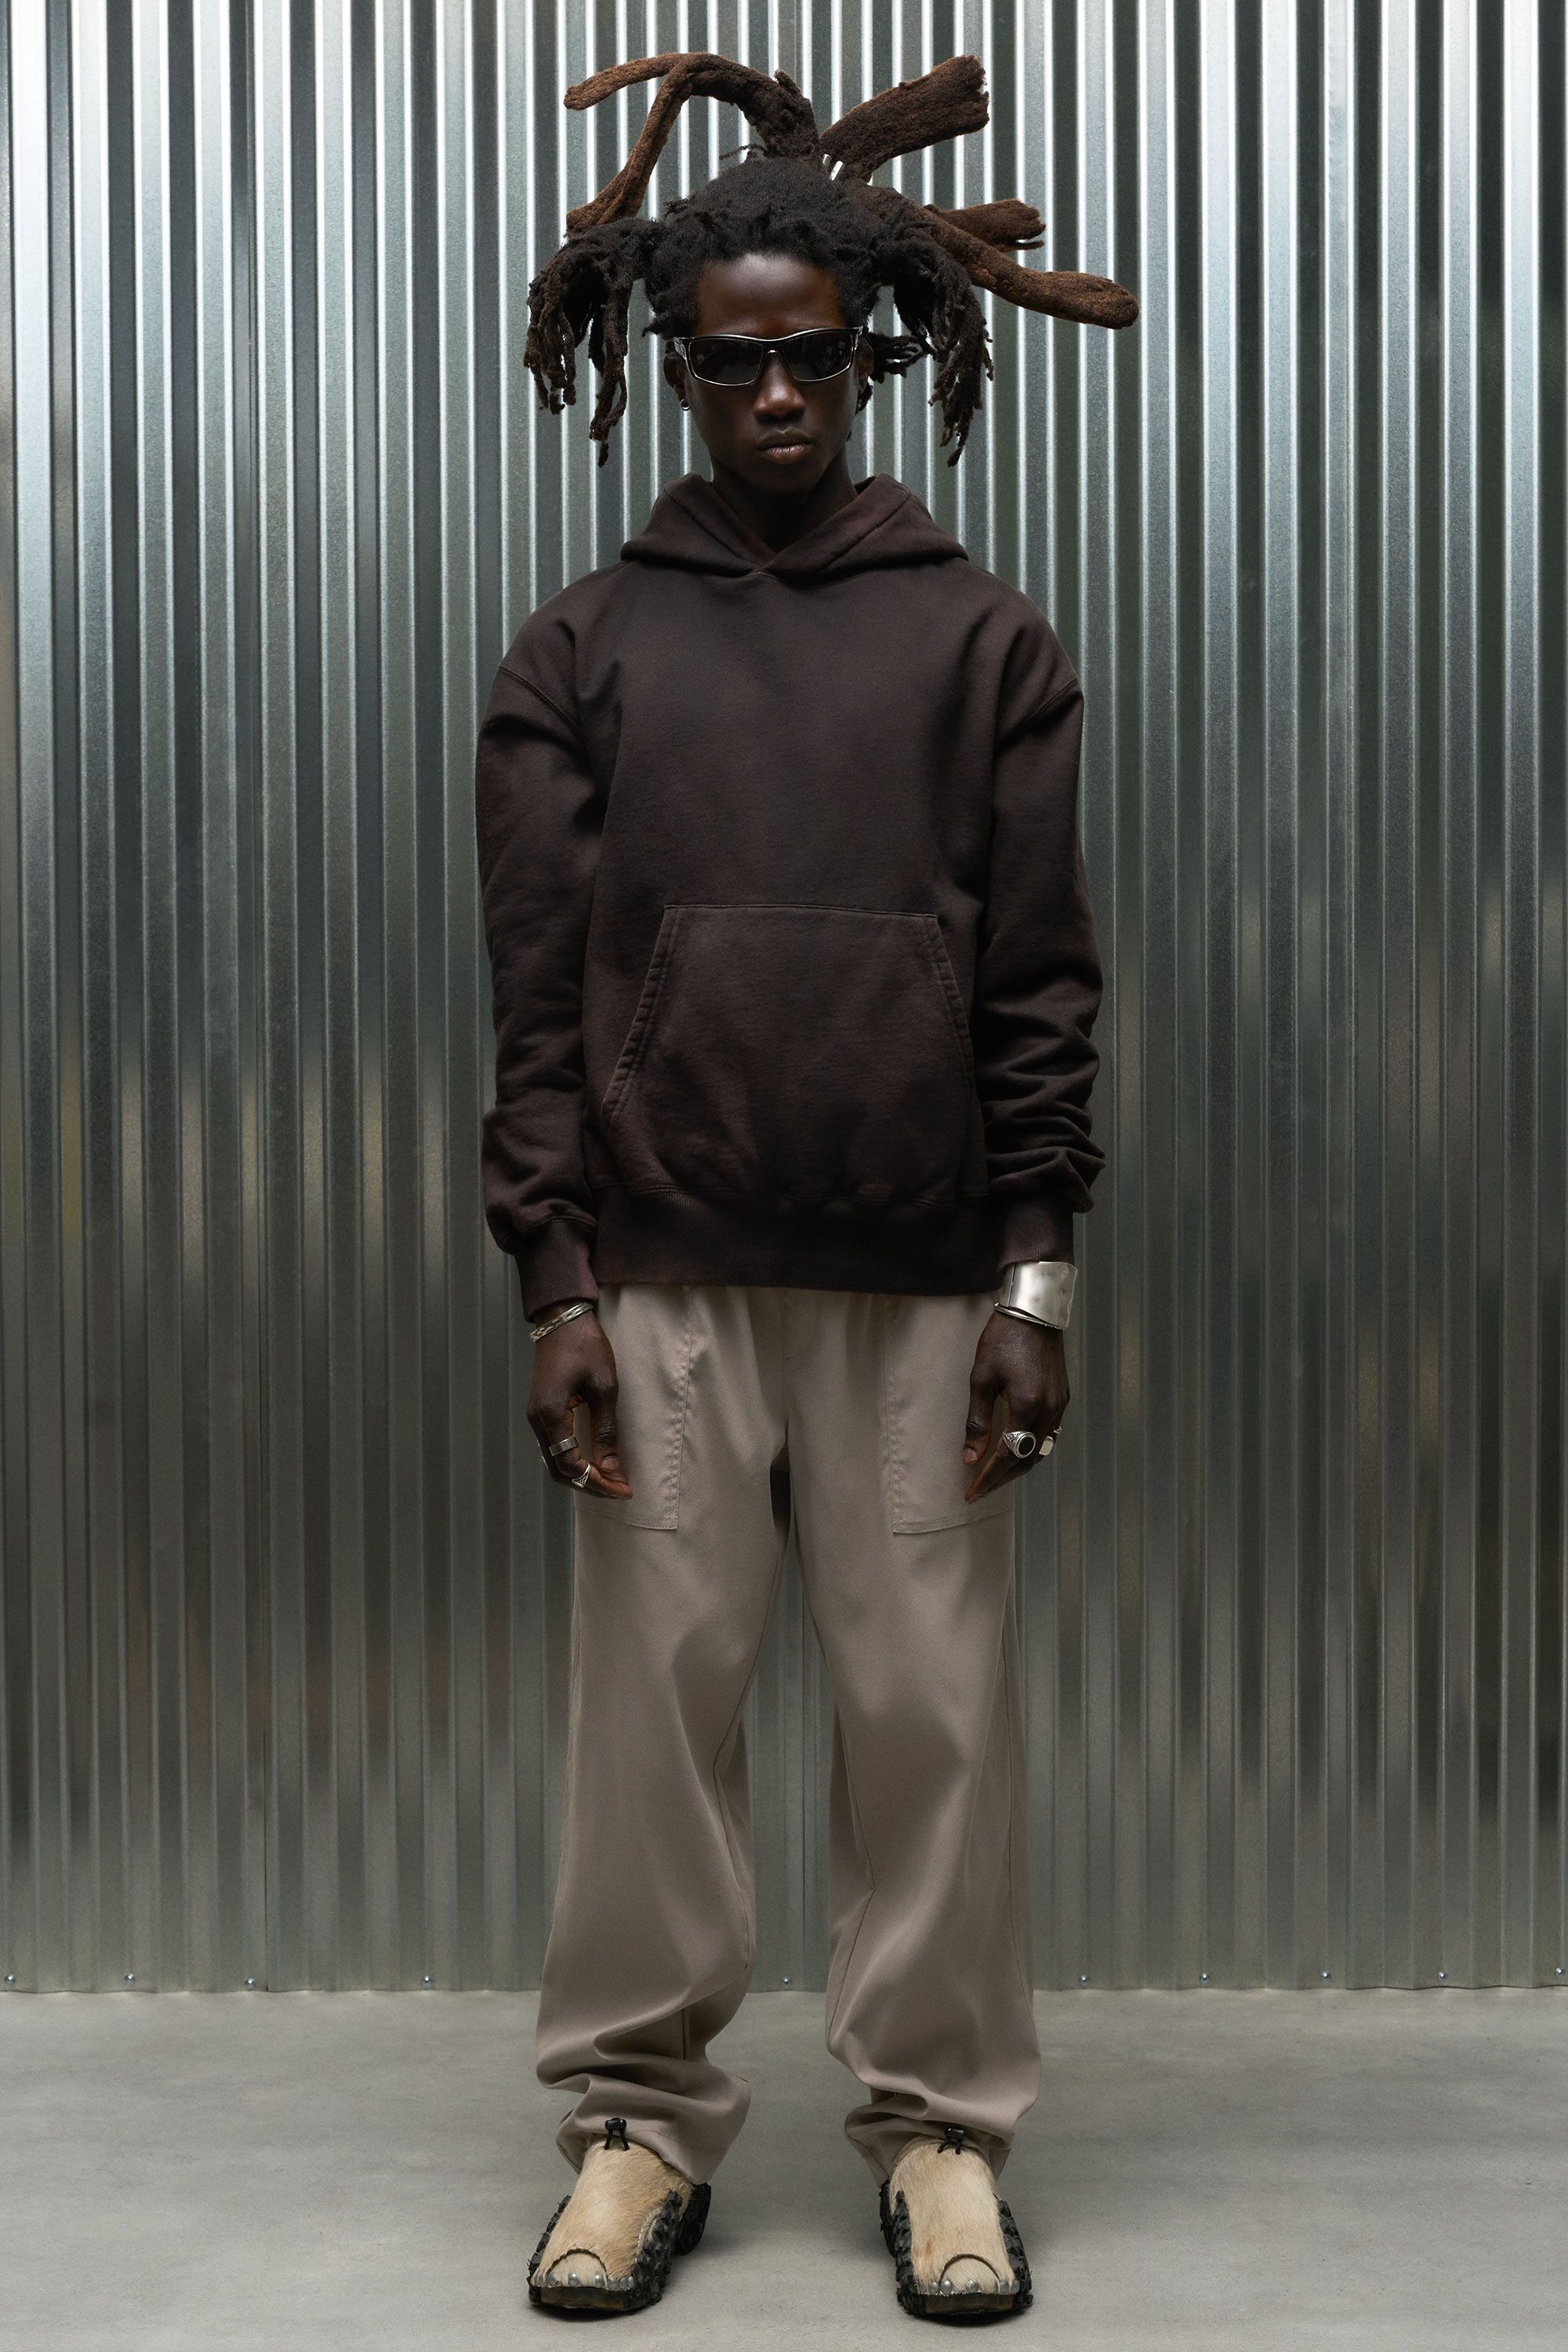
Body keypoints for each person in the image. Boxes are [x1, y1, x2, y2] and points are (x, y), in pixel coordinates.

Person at [474, 49, 1135, 2324]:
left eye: (817, 357)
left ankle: (941, 2132)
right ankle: (635, 2126)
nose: (777, 395)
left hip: (925, 1268)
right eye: (732, 361)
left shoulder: (982, 639)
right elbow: (535, 998)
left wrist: (1038, 1279)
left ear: (878, 356)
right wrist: (553, 1276)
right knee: (652, 1730)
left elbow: (1041, 982)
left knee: (931, 1717)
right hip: (661, 1262)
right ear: (672, 367)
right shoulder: (584, 648)